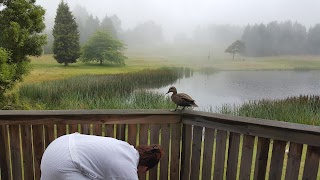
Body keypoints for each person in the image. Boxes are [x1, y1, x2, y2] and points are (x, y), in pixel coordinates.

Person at [40, 132, 163, 180]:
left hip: (57, 146)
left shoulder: (125, 148)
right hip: (65, 162)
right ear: (144, 168)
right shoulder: (129, 170)